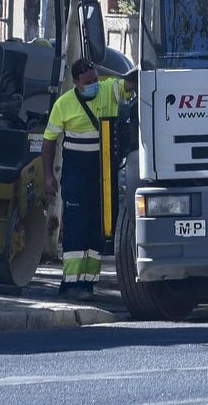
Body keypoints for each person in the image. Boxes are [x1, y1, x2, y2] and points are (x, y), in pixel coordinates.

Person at [42, 58, 132, 297]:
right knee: (76, 227)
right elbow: (48, 142)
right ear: (76, 84)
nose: (94, 84)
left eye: (95, 79)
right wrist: (48, 176)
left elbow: (131, 84)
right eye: (88, 82)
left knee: (99, 228)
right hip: (76, 173)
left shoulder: (108, 89)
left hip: (103, 175)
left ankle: (88, 283)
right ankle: (70, 283)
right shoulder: (64, 104)